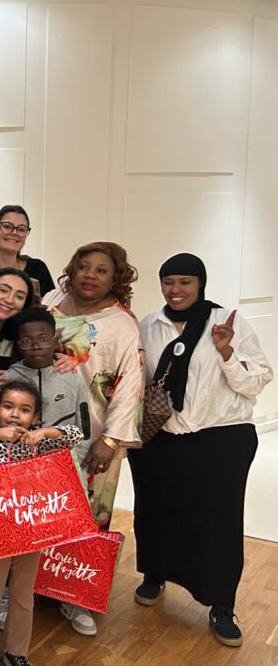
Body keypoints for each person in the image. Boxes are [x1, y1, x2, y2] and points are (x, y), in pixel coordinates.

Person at [132, 253, 272, 648]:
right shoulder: (149, 325)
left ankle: (222, 604)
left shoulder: (225, 321)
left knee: (218, 522)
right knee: (156, 510)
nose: (175, 290)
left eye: (184, 282)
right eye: (168, 282)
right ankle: (154, 574)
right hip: (161, 439)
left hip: (220, 439)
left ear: (200, 284)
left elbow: (258, 379)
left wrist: (226, 352)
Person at [41, 241, 144, 637]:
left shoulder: (122, 324)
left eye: (102, 270)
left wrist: (112, 440)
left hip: (93, 437)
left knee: (88, 516)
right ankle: (35, 585)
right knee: (41, 510)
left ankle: (77, 596)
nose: (90, 275)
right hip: (42, 431)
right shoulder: (52, 302)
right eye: (84, 266)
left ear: (115, 278)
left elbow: (131, 383)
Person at [0, 380, 83, 666]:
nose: (15, 414)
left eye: (24, 410)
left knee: (24, 593)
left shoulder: (39, 442)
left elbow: (76, 435)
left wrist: (44, 433)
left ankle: (17, 652)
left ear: (35, 416)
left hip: (31, 530)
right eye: (8, 406)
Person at [6, 307, 92, 487]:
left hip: (64, 473)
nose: (36, 346)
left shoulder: (73, 380)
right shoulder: (8, 379)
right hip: (18, 475)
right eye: (27, 340)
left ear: (55, 342)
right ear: (19, 345)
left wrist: (77, 470)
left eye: (43, 339)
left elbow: (84, 430)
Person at [0, 205, 55, 298]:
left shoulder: (38, 269)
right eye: (7, 226)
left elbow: (52, 304)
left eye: (21, 229)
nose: (14, 233)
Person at [0, 268, 35, 385]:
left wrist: (63, 359)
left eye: (19, 297)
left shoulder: (20, 336)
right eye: (3, 290)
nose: (9, 300)